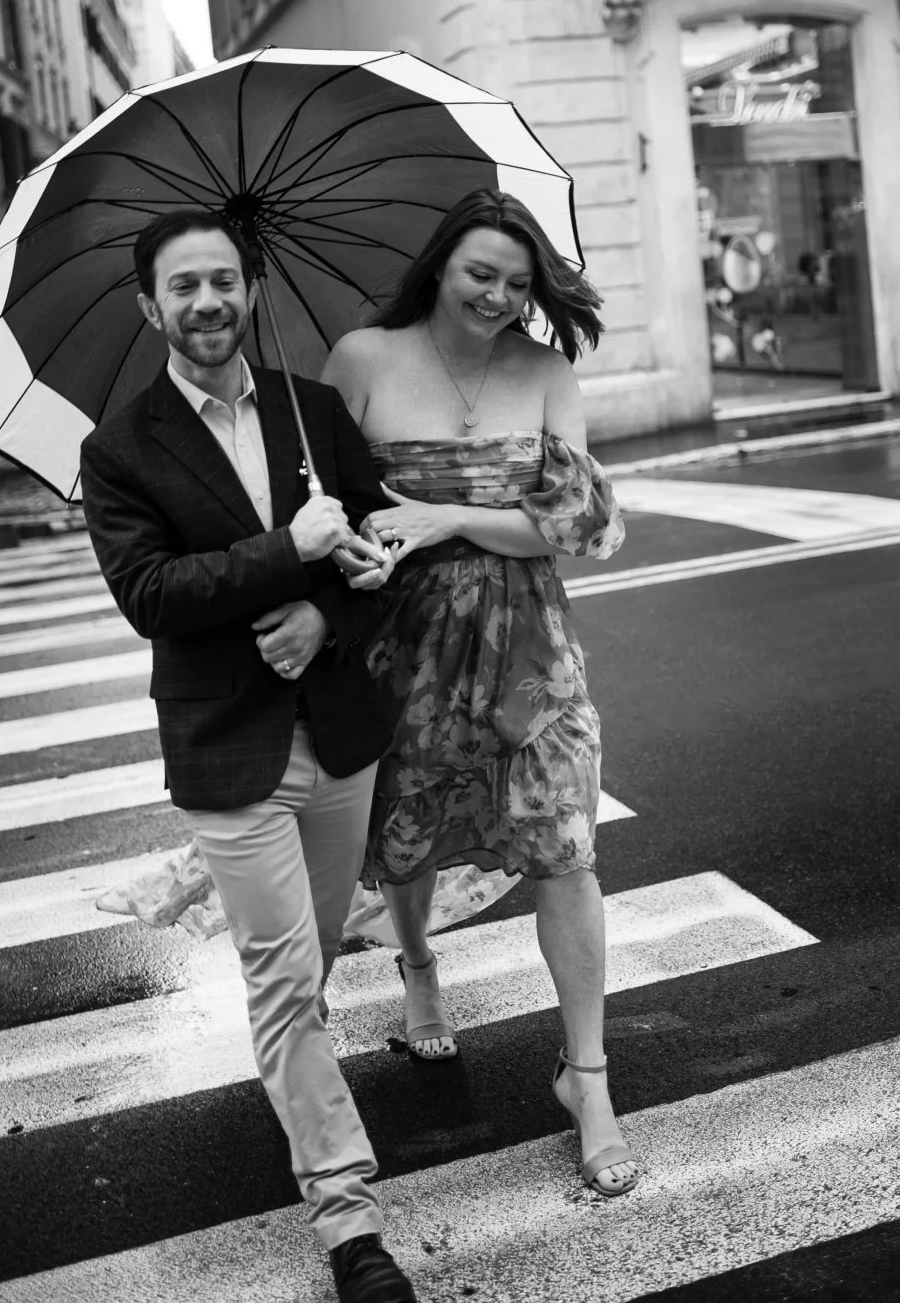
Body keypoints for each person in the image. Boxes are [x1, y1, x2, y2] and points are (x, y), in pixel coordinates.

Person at [78, 208, 417, 1302]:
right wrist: (290, 551)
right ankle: (350, 1220)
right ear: (150, 307)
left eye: (223, 280)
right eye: (183, 287)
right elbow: (150, 595)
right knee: (281, 984)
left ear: (251, 287)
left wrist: (331, 608)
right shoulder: (119, 447)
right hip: (231, 752)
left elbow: (384, 554)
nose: (207, 302)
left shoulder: (313, 413)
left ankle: (293, 1075)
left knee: (306, 968)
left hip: (342, 736)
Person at [323, 187, 640, 1199]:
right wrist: (368, 538)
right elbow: (323, 507)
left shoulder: (543, 370)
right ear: (439, 268)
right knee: (406, 832)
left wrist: (440, 514)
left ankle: (585, 1078)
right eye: (479, 275)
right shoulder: (362, 360)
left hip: (528, 653)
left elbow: (571, 527)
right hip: (401, 645)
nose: (498, 296)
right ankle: (416, 959)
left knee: (565, 848)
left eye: (516, 281)